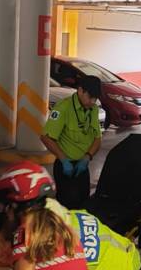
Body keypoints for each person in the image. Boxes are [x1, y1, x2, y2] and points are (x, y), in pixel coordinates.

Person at [41, 75, 102, 209]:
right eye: (90, 97)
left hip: (82, 166)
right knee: (67, 206)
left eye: (95, 98)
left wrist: (87, 157)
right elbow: (46, 137)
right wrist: (63, 160)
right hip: (65, 167)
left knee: (84, 205)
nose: (93, 101)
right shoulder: (63, 108)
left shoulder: (93, 109)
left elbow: (97, 138)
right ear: (80, 91)